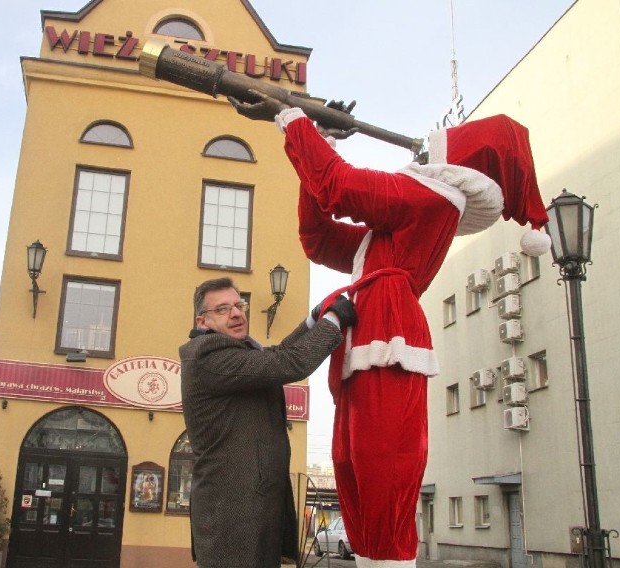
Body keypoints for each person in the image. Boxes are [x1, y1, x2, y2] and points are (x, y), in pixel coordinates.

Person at [229, 94, 552, 568]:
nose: (422, 151)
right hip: (371, 336)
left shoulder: (433, 196)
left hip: (387, 338)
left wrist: (293, 121)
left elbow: (339, 186)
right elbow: (317, 237)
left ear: (456, 161)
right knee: (352, 464)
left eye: (436, 146)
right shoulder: (390, 235)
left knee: (382, 468)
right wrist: (315, 137)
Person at [180, 277, 357, 568]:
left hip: (248, 506)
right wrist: (334, 320)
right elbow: (288, 363)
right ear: (203, 322)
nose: (236, 313)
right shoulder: (208, 356)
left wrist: (314, 319)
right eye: (223, 309)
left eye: (239, 304)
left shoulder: (235, 352)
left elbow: (276, 354)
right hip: (232, 512)